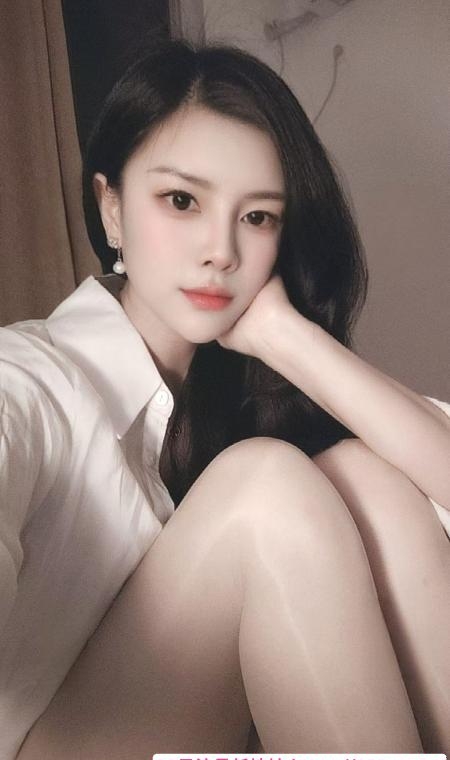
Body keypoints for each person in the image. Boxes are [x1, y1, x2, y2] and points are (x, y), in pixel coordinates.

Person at [1, 37, 449, 757]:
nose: (222, 251)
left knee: (362, 479)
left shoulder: (238, 404)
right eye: (181, 200)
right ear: (111, 208)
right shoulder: (35, 382)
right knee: (264, 491)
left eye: (257, 217)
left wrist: (287, 338)